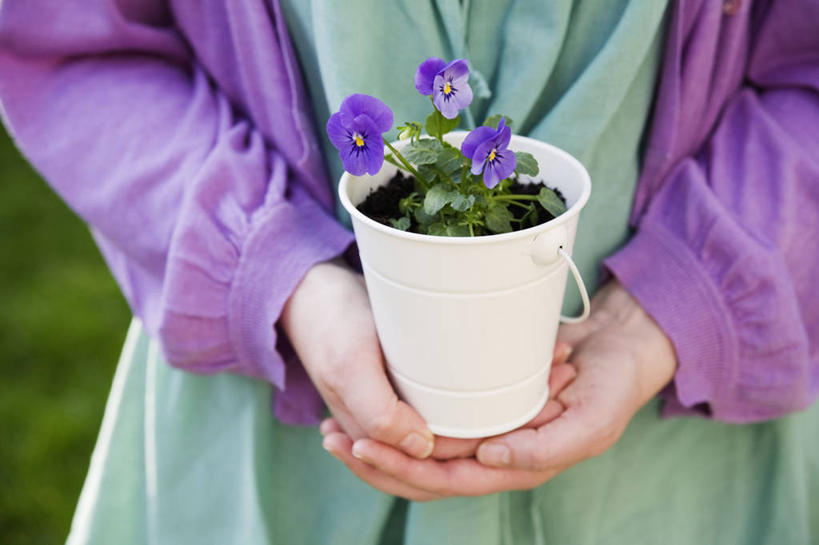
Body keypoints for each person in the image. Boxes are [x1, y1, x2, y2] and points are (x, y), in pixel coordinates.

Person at [0, 0, 817, 543]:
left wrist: (673, 308)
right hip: (278, 441)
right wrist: (283, 278)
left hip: (667, 465)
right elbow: (69, 47)